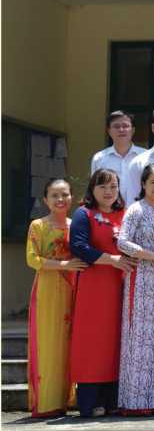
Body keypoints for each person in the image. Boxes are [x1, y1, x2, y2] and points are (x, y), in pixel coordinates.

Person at [69, 169, 136, 418]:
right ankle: (89, 401)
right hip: (94, 287)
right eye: (102, 187)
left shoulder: (125, 214)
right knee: (93, 341)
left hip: (121, 286)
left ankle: (113, 400)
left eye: (113, 187)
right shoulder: (84, 214)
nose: (108, 192)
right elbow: (79, 246)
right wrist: (112, 260)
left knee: (116, 342)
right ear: (92, 189)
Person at [117, 162, 154, 414]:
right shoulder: (135, 209)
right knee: (138, 339)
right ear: (143, 184)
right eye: (153, 182)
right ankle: (134, 401)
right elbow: (122, 243)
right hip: (140, 280)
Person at [25, 179, 86, 417]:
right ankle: (46, 404)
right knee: (48, 344)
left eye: (65, 195)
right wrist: (64, 265)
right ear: (45, 200)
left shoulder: (75, 225)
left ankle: (63, 400)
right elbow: (32, 259)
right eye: (54, 195)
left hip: (72, 289)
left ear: (72, 197)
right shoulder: (38, 226)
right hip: (47, 291)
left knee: (67, 344)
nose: (60, 200)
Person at [91, 110, 145, 201]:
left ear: (133, 130)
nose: (121, 130)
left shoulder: (145, 156)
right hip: (109, 209)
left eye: (125, 126)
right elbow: (95, 189)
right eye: (116, 126)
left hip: (139, 209)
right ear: (109, 131)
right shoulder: (99, 158)